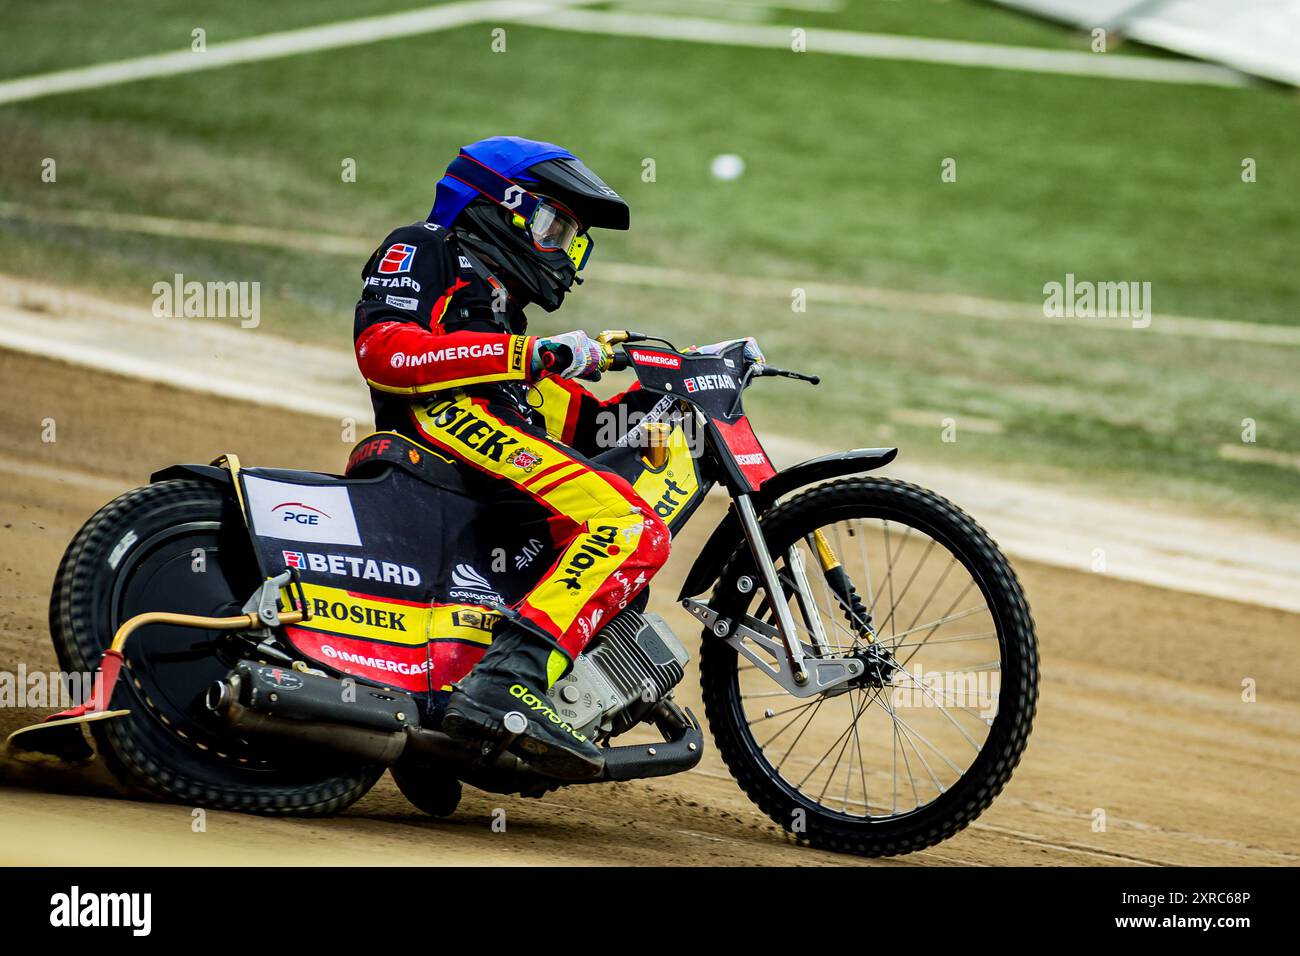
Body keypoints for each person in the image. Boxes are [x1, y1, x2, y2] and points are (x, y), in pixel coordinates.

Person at [352, 136, 669, 779]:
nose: (566, 252)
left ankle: (471, 696)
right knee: (630, 528)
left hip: (490, 430)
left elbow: (582, 421)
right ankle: (508, 684)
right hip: (446, 427)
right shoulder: (425, 246)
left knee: (614, 495)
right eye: (557, 226)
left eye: (576, 239)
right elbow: (385, 352)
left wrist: (667, 392)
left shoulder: (504, 316)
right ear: (504, 207)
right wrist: (538, 356)